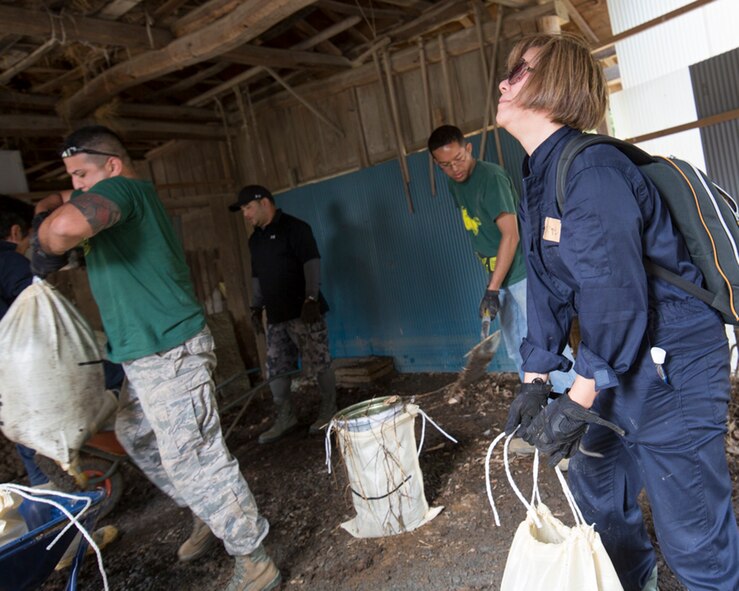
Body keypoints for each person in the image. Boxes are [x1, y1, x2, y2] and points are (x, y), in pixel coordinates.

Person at [498, 33, 739, 591]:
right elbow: (546, 285)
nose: (505, 82)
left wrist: (576, 400)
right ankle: (636, 580)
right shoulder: (540, 177)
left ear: (557, 89)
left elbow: (615, 299)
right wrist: (536, 380)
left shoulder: (593, 171)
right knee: (595, 475)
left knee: (694, 534)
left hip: (672, 361)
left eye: (521, 72)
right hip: (623, 358)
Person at [32, 126, 280, 591]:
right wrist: (54, 203)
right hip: (141, 357)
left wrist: (44, 238)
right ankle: (208, 511)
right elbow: (58, 211)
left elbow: (62, 229)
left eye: (82, 175)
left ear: (111, 165)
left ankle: (253, 554)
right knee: (137, 435)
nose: (79, 186)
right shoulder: (107, 207)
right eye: (72, 178)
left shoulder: (122, 190)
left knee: (195, 458)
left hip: (169, 352)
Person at [229, 185, 336, 444]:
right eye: (242, 210)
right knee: (276, 369)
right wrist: (256, 306)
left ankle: (329, 411)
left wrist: (311, 298)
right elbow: (257, 276)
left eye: (248, 208)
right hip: (276, 317)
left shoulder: (296, 228)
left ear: (264, 203)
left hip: (304, 312)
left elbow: (312, 262)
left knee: (319, 361)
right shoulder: (255, 240)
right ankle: (285, 417)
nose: (245, 214)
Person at [0, 196, 53, 489]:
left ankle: (45, 500)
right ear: (17, 232)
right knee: (37, 434)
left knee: (22, 432)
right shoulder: (10, 261)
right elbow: (32, 312)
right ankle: (61, 506)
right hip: (16, 365)